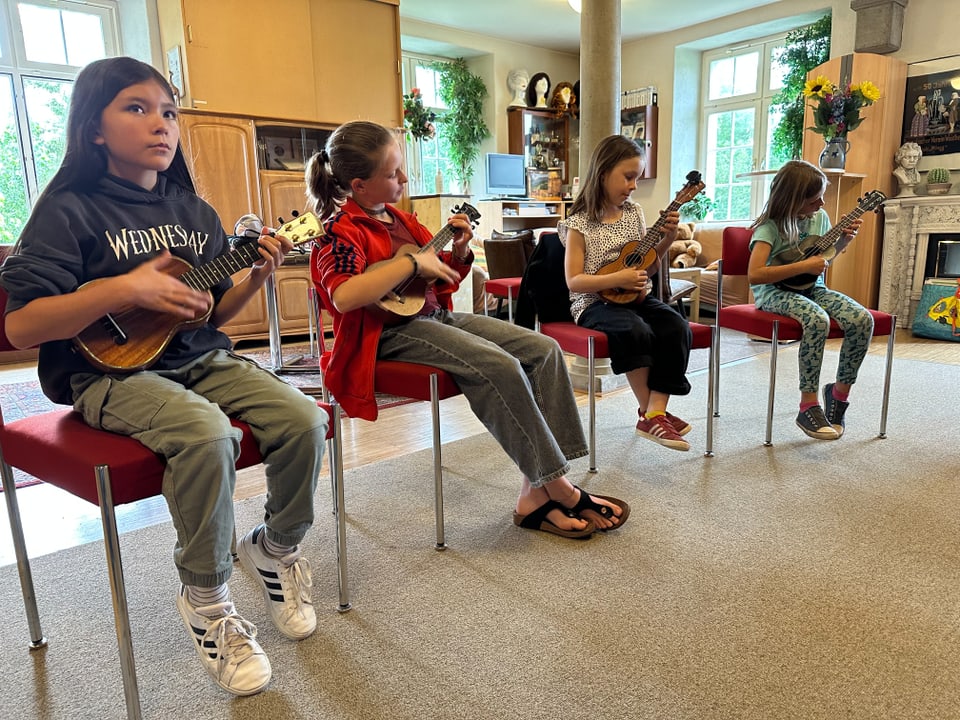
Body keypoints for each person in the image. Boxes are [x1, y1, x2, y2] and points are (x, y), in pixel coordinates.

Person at [0, 57, 328, 696]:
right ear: (94, 128)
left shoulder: (192, 210)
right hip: (105, 376)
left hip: (198, 356)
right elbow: (21, 327)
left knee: (307, 418)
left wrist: (255, 275)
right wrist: (121, 287)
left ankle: (276, 548)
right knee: (209, 436)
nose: (161, 125)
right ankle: (206, 598)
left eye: (169, 112)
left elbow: (211, 311)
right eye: (137, 108)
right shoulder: (67, 210)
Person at [306, 120, 629, 540]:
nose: (403, 178)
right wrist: (409, 263)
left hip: (433, 317)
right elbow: (344, 296)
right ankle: (561, 489)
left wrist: (458, 252)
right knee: (501, 366)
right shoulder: (337, 231)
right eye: (392, 173)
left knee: (543, 349)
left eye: (400, 168)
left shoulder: (403, 221)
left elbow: (441, 281)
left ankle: (537, 489)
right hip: (385, 336)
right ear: (359, 185)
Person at [558, 134, 693, 452]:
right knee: (634, 330)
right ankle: (652, 413)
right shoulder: (579, 224)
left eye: (637, 177)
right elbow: (574, 281)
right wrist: (615, 277)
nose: (634, 185)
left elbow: (648, 266)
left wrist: (667, 239)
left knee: (676, 326)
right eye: (628, 176)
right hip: (592, 303)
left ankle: (655, 410)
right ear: (603, 172)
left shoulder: (635, 214)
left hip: (636, 298)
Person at [747, 160, 870, 441]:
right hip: (775, 292)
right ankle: (808, 405)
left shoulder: (820, 218)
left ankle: (838, 396)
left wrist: (841, 244)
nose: (822, 203)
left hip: (812, 288)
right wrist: (803, 267)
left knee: (862, 319)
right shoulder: (769, 228)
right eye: (815, 199)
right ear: (793, 200)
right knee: (817, 320)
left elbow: (821, 260)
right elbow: (755, 275)